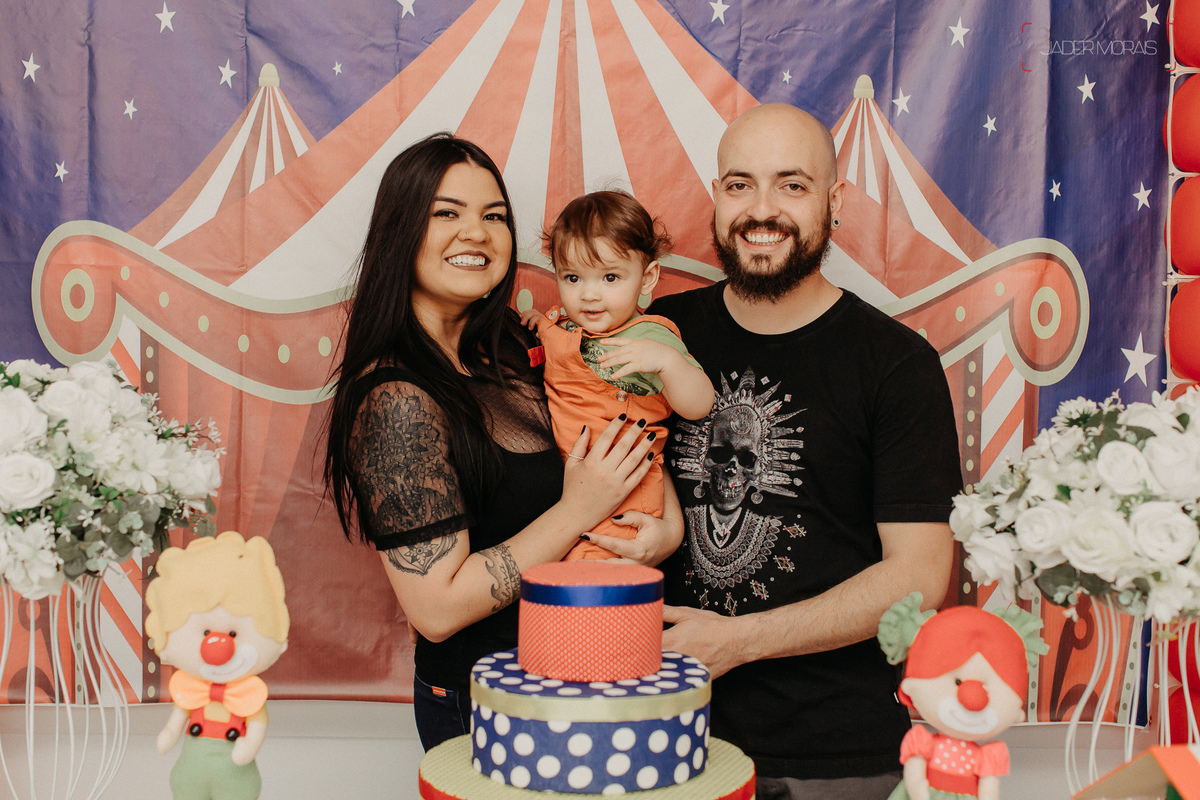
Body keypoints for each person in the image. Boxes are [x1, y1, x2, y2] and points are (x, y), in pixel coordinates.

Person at [324, 133, 682, 752]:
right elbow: (436, 610)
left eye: (494, 216)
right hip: (488, 700)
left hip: (598, 671)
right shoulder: (394, 400)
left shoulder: (518, 347)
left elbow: (627, 427)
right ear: (399, 231)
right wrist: (578, 510)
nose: (477, 233)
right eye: (447, 213)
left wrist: (666, 528)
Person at [648, 103, 963, 800]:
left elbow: (918, 576)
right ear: (716, 195)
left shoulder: (895, 365)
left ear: (835, 200)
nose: (762, 210)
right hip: (662, 738)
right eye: (740, 185)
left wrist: (740, 640)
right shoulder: (661, 336)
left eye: (791, 185)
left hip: (834, 756)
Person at [520, 191, 714, 560]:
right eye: (573, 277)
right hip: (567, 486)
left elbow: (700, 404)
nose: (590, 295)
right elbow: (556, 337)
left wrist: (669, 363)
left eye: (610, 277)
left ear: (647, 277)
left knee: (600, 581)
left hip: (625, 490)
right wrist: (538, 324)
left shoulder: (650, 336)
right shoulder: (563, 322)